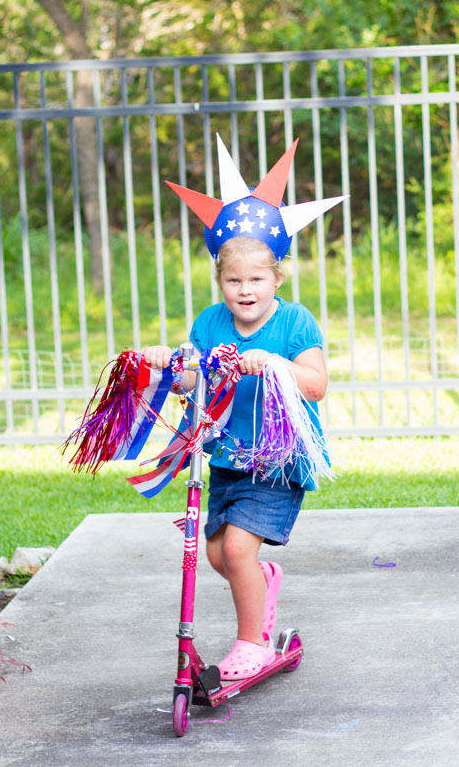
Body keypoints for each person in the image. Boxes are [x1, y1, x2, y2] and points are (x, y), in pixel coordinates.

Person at [144, 135, 344, 676]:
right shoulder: (209, 323)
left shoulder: (294, 321)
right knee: (218, 556)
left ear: (277, 277)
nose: (245, 290)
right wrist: (169, 365)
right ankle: (263, 581)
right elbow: (193, 380)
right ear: (220, 281)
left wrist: (273, 362)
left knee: (235, 552)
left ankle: (252, 642)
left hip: (278, 460)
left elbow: (316, 383)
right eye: (234, 280)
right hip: (227, 456)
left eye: (257, 279)